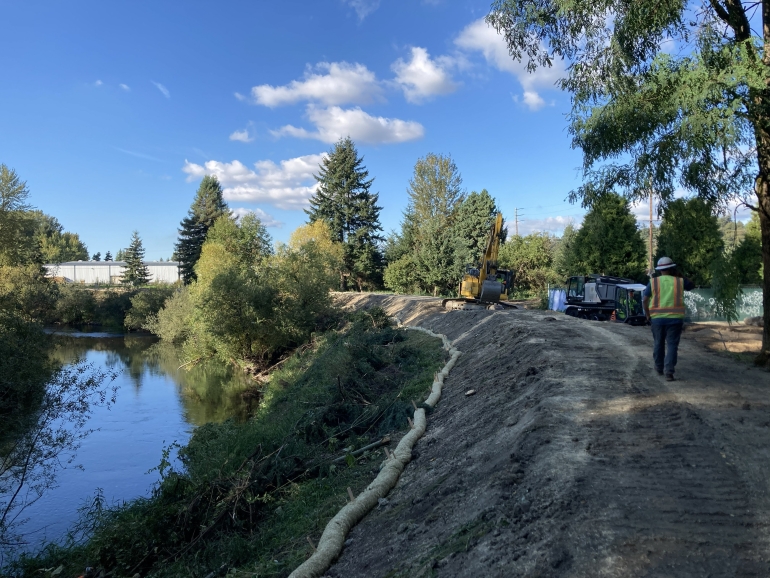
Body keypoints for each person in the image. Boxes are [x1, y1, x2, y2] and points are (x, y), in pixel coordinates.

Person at [643, 257, 695, 380]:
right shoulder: (679, 281)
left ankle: (659, 367)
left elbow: (644, 300)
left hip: (657, 318)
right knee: (672, 345)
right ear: (672, 268)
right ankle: (669, 372)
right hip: (675, 319)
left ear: (659, 270)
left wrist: (647, 314)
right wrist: (679, 274)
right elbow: (692, 284)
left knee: (658, 343)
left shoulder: (654, 282)